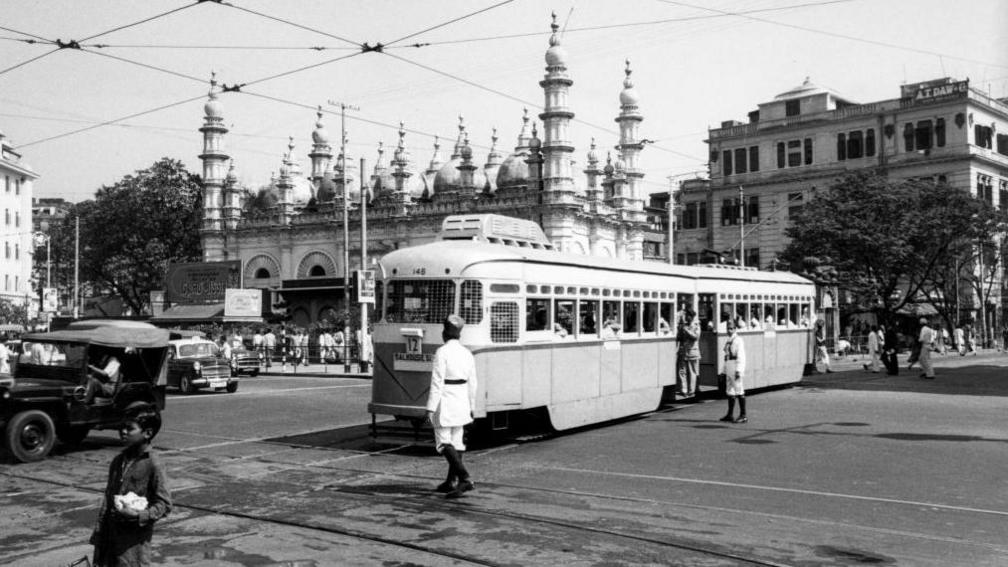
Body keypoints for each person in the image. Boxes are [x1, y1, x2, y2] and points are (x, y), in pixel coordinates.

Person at [90, 412, 172, 566]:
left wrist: (139, 516)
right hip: (110, 542)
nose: (123, 432)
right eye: (121, 427)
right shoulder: (118, 461)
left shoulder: (154, 464)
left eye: (129, 428)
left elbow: (165, 504)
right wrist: (98, 540)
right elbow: (107, 504)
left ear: (147, 433)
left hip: (133, 548)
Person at [424, 315, 478, 499]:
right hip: (462, 400)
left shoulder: (442, 352)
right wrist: (472, 405)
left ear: (444, 333)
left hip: (445, 400)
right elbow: (473, 383)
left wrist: (430, 408)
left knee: (443, 442)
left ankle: (465, 478)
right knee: (457, 441)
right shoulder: (467, 353)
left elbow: (437, 382)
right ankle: (451, 481)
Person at [719, 318, 747, 423]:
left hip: (735, 367)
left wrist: (739, 370)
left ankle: (743, 415)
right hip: (729, 366)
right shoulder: (729, 340)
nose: (729, 330)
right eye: (728, 328)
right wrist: (723, 371)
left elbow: (741, 356)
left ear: (735, 329)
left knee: (739, 390)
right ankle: (730, 414)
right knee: (730, 391)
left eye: (731, 328)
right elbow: (726, 357)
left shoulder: (738, 340)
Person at [677, 307, 701, 398]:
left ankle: (691, 391)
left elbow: (696, 337)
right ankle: (684, 390)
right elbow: (679, 337)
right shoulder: (684, 325)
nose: (686, 317)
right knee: (682, 371)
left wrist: (686, 330)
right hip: (683, 351)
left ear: (691, 316)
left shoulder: (696, 325)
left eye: (687, 315)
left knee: (692, 372)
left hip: (692, 352)